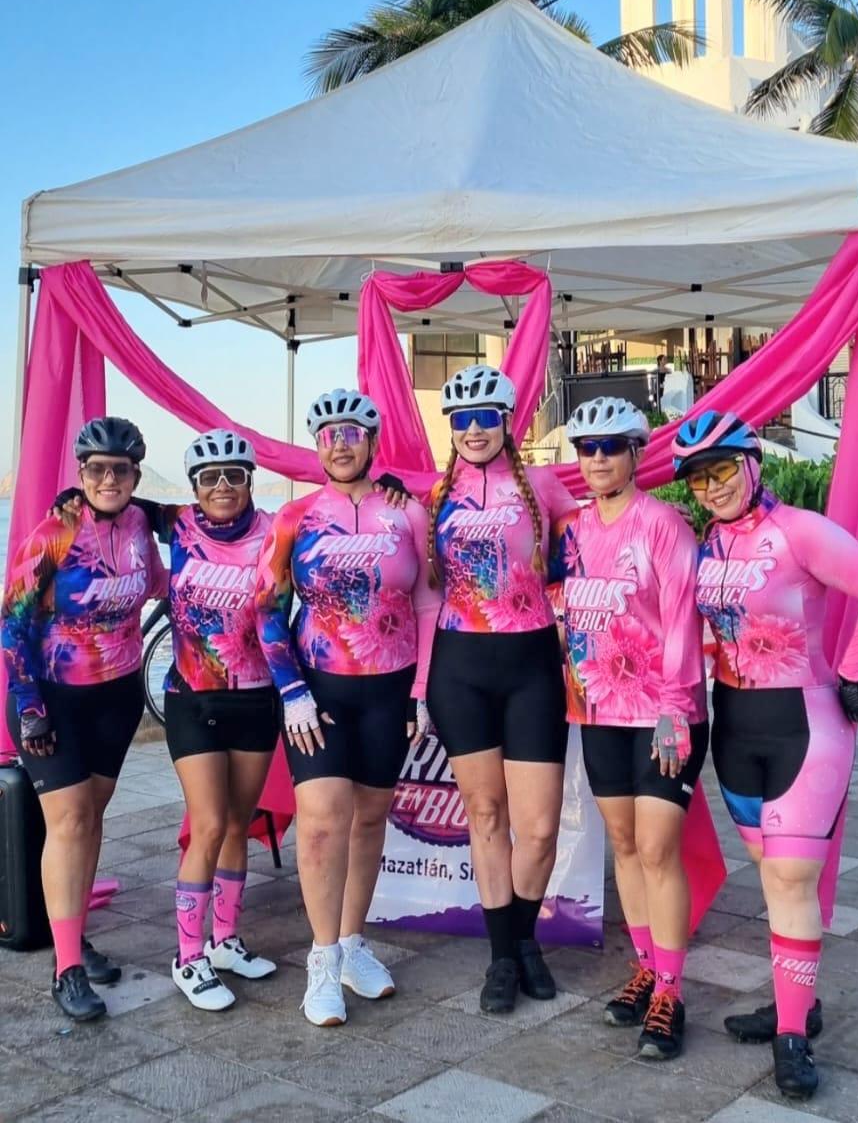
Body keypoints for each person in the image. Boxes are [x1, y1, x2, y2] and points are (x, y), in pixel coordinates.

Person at [671, 410, 858, 1100]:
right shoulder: (706, 545)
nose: (709, 486)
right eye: (695, 476)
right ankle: (794, 998)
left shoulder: (797, 529)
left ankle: (793, 1036)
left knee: (792, 880)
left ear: (753, 462)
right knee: (773, 879)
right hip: (736, 728)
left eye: (720, 468)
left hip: (807, 724)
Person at [255, 388, 438, 1028]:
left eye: (352, 432)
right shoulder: (295, 518)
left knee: (369, 820)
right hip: (320, 694)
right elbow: (267, 611)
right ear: (317, 446)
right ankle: (322, 961)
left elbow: (426, 607)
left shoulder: (405, 513)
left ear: (372, 441)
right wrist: (292, 691)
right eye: (328, 433)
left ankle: (355, 942)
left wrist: (419, 692)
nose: (340, 443)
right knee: (324, 822)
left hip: (389, 691)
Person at [556, 396, 707, 1060]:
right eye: (585, 447)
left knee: (657, 849)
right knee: (622, 841)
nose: (595, 458)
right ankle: (645, 965)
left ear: (635, 452)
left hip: (662, 713)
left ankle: (671, 987)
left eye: (609, 446)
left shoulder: (664, 524)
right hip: (595, 710)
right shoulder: (569, 529)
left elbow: (682, 620)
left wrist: (675, 707)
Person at [2, 418, 166, 1023]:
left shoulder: (142, 527)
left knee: (90, 819)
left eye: (119, 469)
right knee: (68, 821)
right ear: (81, 472)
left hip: (116, 697)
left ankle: (72, 934)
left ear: (134, 477)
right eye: (95, 468)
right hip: (51, 701)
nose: (107, 478)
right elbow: (12, 623)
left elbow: (158, 585)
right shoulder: (51, 535)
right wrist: (28, 704)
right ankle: (65, 967)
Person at [425, 365, 576, 1016]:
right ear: (451, 428)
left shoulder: (544, 485)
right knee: (486, 818)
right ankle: (504, 956)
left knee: (538, 828)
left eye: (486, 417)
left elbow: (577, 567)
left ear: (508, 421)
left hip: (532, 661)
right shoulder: (432, 495)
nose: (475, 429)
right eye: (462, 419)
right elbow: (424, 588)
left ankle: (524, 937)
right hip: (459, 667)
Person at [158, 430, 282, 1012]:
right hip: (193, 698)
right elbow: (111, 499)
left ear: (250, 480)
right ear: (194, 488)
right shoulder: (175, 525)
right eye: (210, 478)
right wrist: (70, 504)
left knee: (239, 823)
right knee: (207, 826)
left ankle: (226, 938)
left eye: (234, 475)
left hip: (257, 697)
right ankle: (188, 956)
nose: (223, 486)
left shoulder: (276, 529)